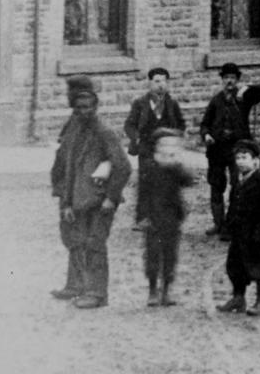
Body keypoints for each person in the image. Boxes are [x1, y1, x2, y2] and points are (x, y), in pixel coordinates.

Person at [50, 82, 132, 309]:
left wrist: (111, 198)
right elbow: (66, 166)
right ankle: (76, 285)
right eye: (78, 107)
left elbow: (123, 167)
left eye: (87, 107)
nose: (83, 111)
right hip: (76, 198)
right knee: (75, 241)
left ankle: (97, 293)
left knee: (95, 244)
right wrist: (65, 200)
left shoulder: (104, 132)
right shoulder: (73, 131)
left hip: (99, 201)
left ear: (95, 107)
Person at [216, 139, 260, 317]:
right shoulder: (238, 181)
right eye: (238, 158)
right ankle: (238, 298)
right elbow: (233, 205)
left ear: (255, 161)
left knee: (256, 266)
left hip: (255, 232)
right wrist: (228, 227)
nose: (241, 162)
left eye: (245, 158)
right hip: (239, 231)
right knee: (234, 265)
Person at [124, 67, 186, 230]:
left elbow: (181, 125)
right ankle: (143, 218)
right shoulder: (140, 103)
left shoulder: (172, 104)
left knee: (167, 182)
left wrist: (174, 137)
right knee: (145, 182)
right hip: (146, 148)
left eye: (164, 81)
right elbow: (129, 125)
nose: (161, 85)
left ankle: (167, 216)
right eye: (157, 81)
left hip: (166, 151)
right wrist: (136, 137)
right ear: (150, 83)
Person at [200, 62, 252, 239]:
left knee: (237, 186)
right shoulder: (216, 100)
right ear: (222, 80)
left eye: (233, 78)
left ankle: (231, 226)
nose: (229, 81)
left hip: (237, 151)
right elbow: (205, 124)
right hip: (217, 149)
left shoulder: (244, 99)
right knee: (216, 186)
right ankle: (218, 224)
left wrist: (247, 88)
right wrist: (207, 135)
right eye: (226, 78)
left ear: (237, 80)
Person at [142, 128, 193, 307]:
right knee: (153, 254)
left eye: (172, 145)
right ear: (156, 147)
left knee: (170, 254)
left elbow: (189, 181)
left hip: (172, 217)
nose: (168, 148)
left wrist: (178, 164)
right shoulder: (149, 166)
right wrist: (142, 216)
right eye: (164, 144)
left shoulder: (176, 168)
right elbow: (142, 194)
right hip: (153, 217)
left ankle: (166, 290)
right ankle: (152, 290)